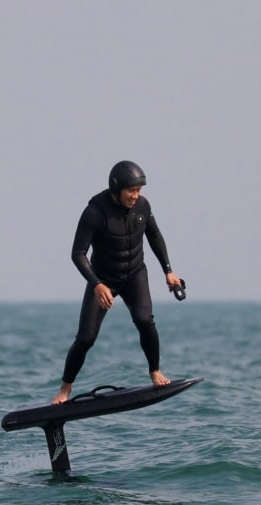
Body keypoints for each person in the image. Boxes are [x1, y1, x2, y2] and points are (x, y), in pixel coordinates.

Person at [52, 161, 184, 404]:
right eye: (131, 191)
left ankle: (155, 371)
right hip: (103, 279)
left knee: (145, 320)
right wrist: (96, 284)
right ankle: (65, 388)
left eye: (138, 190)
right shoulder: (95, 212)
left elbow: (154, 235)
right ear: (116, 189)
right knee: (86, 338)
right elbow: (78, 254)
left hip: (134, 274)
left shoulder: (143, 206)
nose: (136, 196)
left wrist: (169, 271)